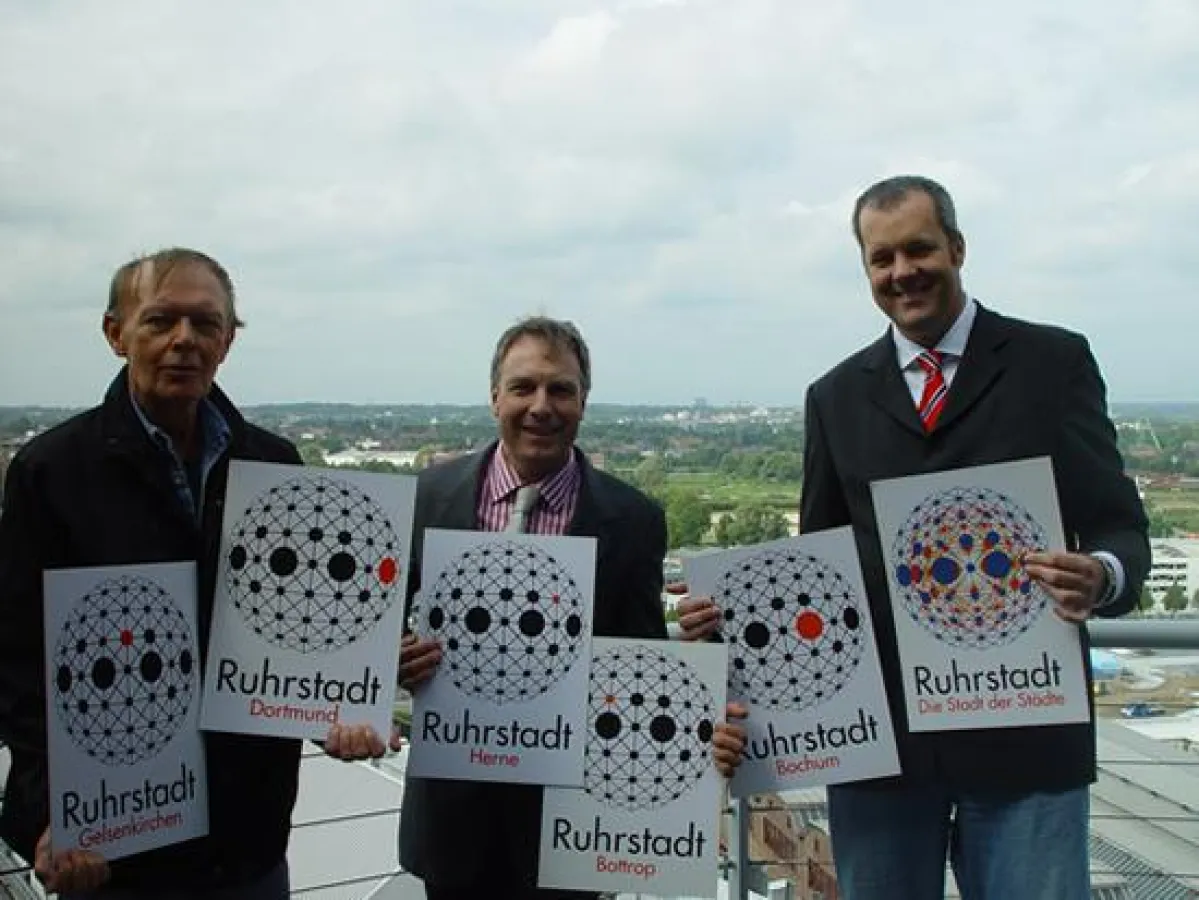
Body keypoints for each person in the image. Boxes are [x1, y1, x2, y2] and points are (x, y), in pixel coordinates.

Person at [683, 175, 1150, 899]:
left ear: (956, 248)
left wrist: (1102, 574)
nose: (902, 272)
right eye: (881, 258)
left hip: (1027, 738)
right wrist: (733, 623)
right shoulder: (833, 397)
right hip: (879, 755)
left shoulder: (1051, 365)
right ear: (865, 269)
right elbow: (816, 575)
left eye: (918, 249)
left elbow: (1120, 522)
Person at [326, 316, 746, 900]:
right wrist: (386, 673)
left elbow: (643, 664)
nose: (541, 406)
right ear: (494, 395)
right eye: (523, 387)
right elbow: (366, 633)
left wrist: (700, 706)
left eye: (561, 389)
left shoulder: (633, 519)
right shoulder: (426, 497)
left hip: (574, 828)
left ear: (583, 402)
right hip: (454, 820)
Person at [0, 248, 304, 899]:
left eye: (205, 324)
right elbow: (20, 662)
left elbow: (297, 629)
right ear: (116, 334)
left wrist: (342, 698)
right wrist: (48, 812)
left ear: (228, 341)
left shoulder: (275, 466)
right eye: (160, 320)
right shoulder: (50, 473)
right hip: (117, 846)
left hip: (247, 840)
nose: (183, 341)